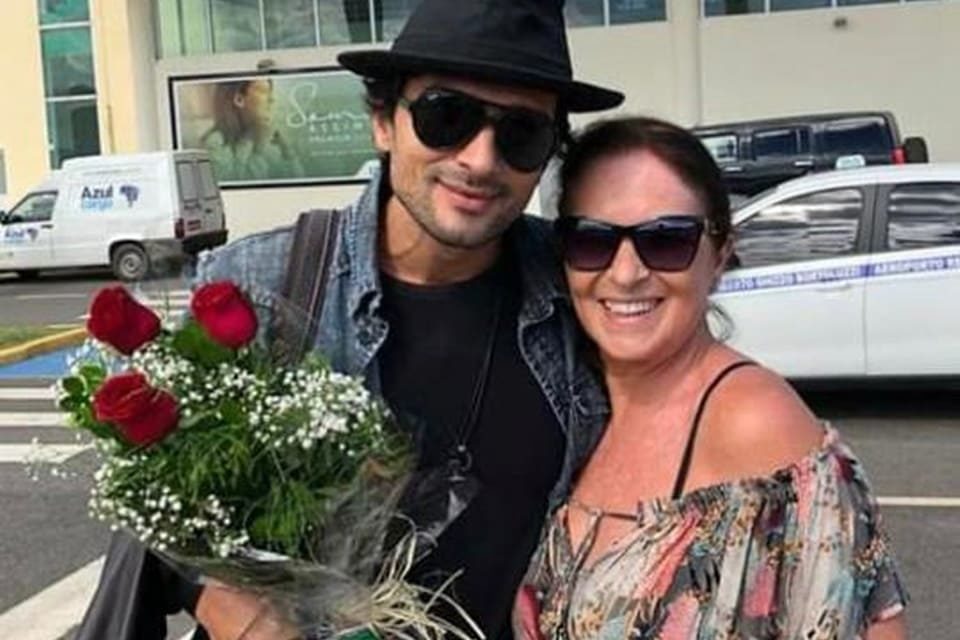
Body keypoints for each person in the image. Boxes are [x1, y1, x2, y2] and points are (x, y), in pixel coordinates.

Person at [74, 2, 623, 639]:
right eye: (446, 116)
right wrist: (222, 601)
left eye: (522, 134)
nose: (480, 159)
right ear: (382, 121)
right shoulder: (261, 282)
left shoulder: (581, 292)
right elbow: (158, 503)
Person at [514, 116, 909, 639]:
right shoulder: (575, 404)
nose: (626, 272)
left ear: (719, 255)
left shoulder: (753, 421)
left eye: (666, 240)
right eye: (593, 240)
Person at [201, 78, 304, 182]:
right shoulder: (215, 144)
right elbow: (235, 189)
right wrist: (254, 147)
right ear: (239, 99)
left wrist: (287, 150)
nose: (272, 99)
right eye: (263, 91)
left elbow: (299, 182)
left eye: (270, 92)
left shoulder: (271, 140)